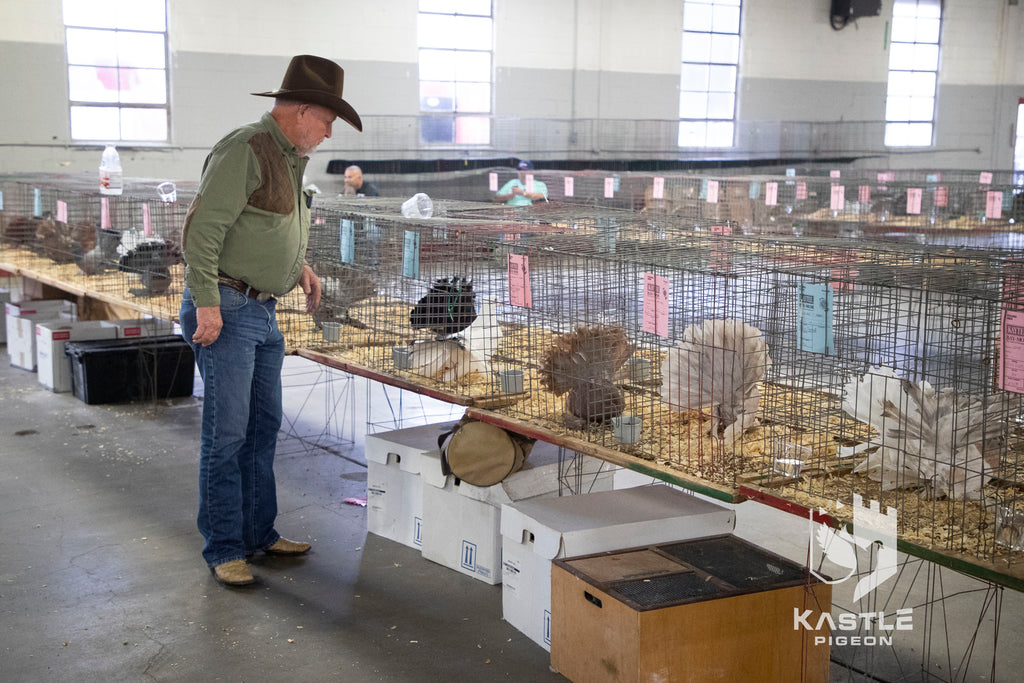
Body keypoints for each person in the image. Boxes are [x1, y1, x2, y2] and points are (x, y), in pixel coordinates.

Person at [179, 54, 362, 586]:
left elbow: (257, 226)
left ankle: (259, 531)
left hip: (261, 309)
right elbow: (203, 233)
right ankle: (224, 548)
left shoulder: (288, 157)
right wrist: (207, 303)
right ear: (304, 111)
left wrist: (299, 267)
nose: (328, 135)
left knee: (261, 429)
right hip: (229, 309)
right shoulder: (246, 148)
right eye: (327, 123)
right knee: (226, 434)